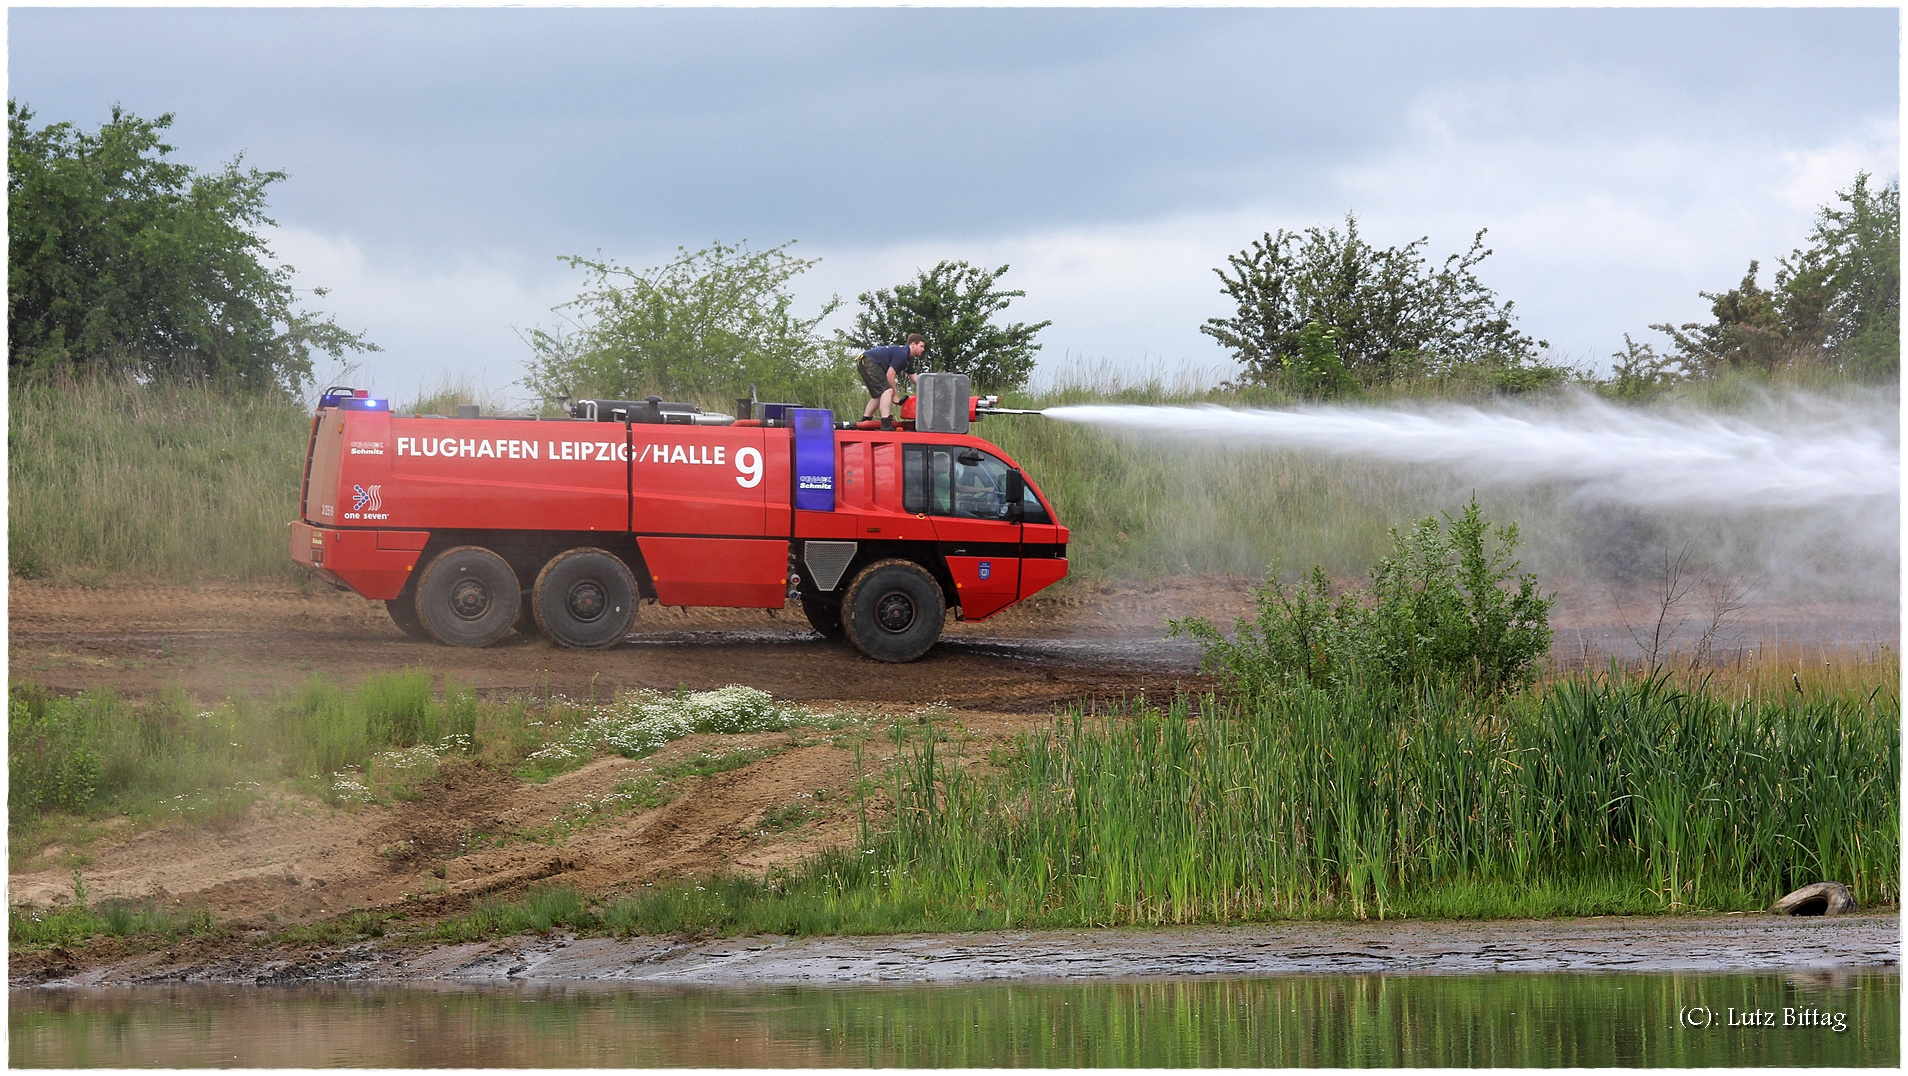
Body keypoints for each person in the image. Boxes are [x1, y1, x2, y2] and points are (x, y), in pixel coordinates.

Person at [859, 334, 924, 430]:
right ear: (913, 344)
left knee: (880, 394)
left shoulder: (907, 360)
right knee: (888, 391)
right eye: (921, 346)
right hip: (868, 361)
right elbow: (890, 374)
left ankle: (865, 421)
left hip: (865, 361)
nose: (923, 349)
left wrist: (929, 386)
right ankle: (885, 423)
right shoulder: (902, 353)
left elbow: (914, 378)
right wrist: (895, 395)